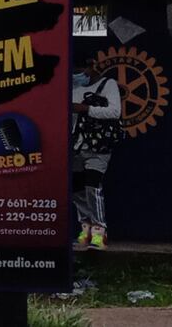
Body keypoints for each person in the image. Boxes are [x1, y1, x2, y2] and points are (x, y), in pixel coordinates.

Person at [71, 53, 122, 250]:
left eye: (81, 70)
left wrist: (86, 108)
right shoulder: (73, 87)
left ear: (92, 66)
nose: (78, 75)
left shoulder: (108, 85)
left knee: (93, 185)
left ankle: (100, 232)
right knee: (76, 189)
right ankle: (86, 228)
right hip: (76, 145)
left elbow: (115, 112)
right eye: (74, 71)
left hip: (98, 146)